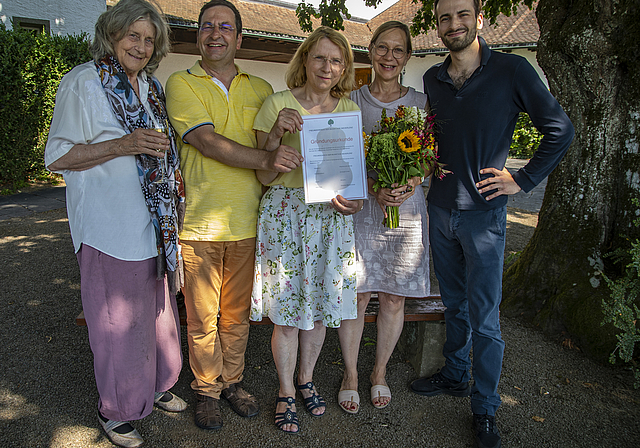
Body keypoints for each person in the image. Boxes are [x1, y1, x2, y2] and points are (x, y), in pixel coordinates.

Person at [409, 1, 574, 447]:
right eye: (445, 17)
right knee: (454, 303)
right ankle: (456, 374)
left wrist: (521, 179)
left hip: (484, 216)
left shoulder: (513, 70)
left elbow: (560, 129)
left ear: (479, 19)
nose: (453, 24)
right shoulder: (432, 79)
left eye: (462, 14)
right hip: (440, 209)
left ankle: (484, 408)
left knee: (485, 317)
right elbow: (429, 143)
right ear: (437, 25)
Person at [44, 0, 187, 446]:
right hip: (108, 227)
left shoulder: (150, 87)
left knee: (158, 316)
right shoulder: (82, 83)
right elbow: (58, 156)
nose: (141, 46)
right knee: (115, 322)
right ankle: (116, 409)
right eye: (133, 36)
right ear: (112, 34)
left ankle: (156, 385)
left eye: (149, 39)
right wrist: (122, 145)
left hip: (153, 225)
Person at [164, 0, 302, 431]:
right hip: (199, 226)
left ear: (239, 38)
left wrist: (278, 140)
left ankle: (232, 382)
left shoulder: (261, 89)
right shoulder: (180, 83)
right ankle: (205, 389)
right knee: (203, 318)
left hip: (247, 222)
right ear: (198, 35)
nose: (216, 33)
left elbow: (268, 165)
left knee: (237, 317)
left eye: (225, 27)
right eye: (208, 26)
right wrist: (269, 153)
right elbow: (207, 142)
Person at [249, 26, 363, 433]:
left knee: (316, 313)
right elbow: (261, 174)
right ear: (305, 60)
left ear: (344, 67)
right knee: (287, 312)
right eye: (320, 58)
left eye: (336, 60)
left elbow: (351, 175)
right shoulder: (277, 104)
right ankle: (283, 390)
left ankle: (306, 379)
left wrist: (355, 199)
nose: (327, 67)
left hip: (330, 220)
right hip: (285, 216)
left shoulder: (349, 109)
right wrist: (278, 130)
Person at [336, 20, 431, 414]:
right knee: (357, 295)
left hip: (406, 212)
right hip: (364, 209)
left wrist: (409, 183)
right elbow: (343, 159)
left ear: (407, 57)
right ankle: (350, 375)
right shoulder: (351, 101)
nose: (389, 57)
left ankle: (379, 372)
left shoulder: (421, 103)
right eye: (382, 48)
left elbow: (427, 160)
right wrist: (375, 188)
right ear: (370, 50)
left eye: (398, 50)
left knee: (393, 297)